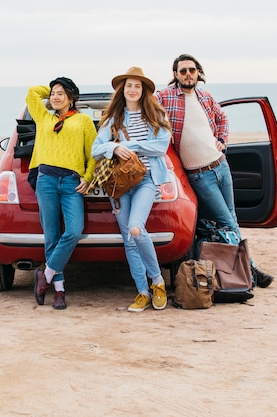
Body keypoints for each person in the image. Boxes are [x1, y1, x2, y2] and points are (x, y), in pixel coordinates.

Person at [154, 53, 274, 288]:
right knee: (227, 222)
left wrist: (222, 139)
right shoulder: (166, 96)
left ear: (197, 72)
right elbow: (145, 105)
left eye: (191, 70)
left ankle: (244, 267)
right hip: (199, 175)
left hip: (221, 166)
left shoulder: (205, 97)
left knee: (232, 219)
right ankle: (251, 269)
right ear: (175, 75)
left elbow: (223, 119)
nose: (188, 74)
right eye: (183, 71)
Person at [91, 67, 172, 312]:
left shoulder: (155, 116)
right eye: (129, 86)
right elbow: (96, 148)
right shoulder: (113, 118)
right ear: (122, 90)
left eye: (137, 86)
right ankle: (142, 291)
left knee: (137, 229)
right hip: (120, 184)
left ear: (144, 90)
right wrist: (113, 149)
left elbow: (161, 147)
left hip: (146, 179)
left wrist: (128, 144)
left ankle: (157, 282)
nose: (133, 90)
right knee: (128, 239)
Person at [28, 77, 97, 310]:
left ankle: (45, 275)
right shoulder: (44, 117)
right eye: (53, 93)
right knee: (51, 236)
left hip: (71, 183)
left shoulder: (83, 121)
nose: (56, 97)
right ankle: (59, 291)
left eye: (61, 93)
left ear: (71, 97)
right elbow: (31, 93)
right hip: (46, 181)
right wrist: (49, 89)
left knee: (74, 231)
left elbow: (93, 154)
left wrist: (88, 178)